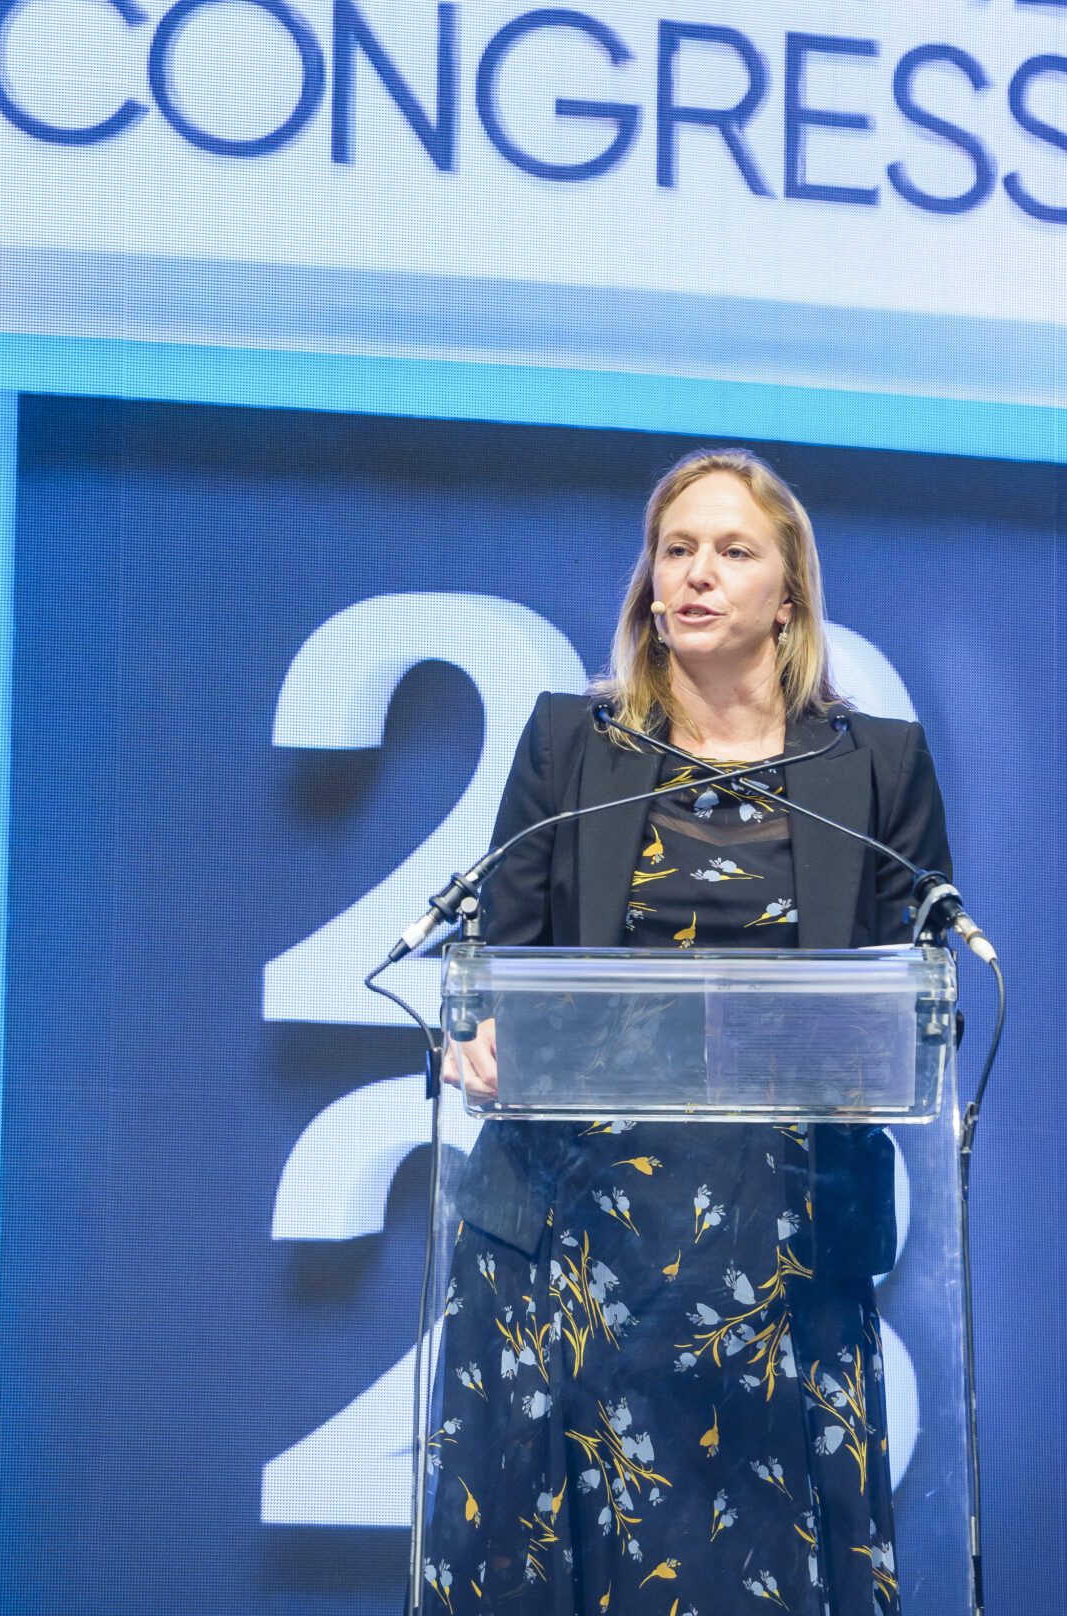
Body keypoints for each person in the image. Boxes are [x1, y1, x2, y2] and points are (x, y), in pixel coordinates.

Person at [421, 448, 951, 1616]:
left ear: (787, 593)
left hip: (779, 1247)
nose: (696, 573)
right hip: (566, 1236)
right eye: (675, 548)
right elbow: (495, 961)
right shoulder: (571, 745)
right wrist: (474, 1035)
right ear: (647, 582)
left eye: (731, 550)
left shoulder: (875, 766)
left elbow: (913, 993)